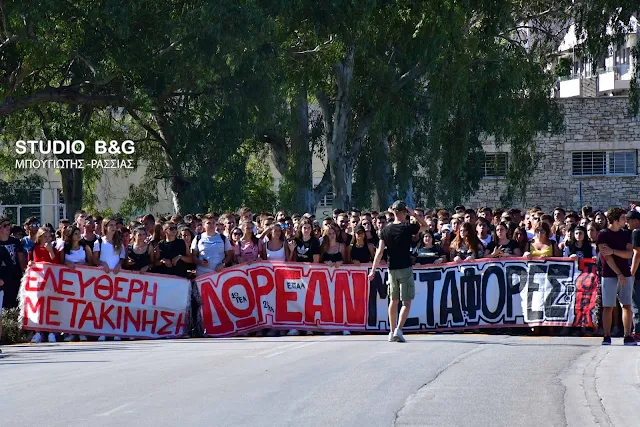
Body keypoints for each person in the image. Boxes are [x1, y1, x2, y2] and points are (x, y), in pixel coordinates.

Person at [368, 201, 428, 343]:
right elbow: (425, 226)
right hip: (405, 267)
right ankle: (398, 330)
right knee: (406, 302)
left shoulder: (385, 230)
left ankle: (391, 330)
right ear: (403, 212)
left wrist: (373, 270)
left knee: (393, 301)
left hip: (391, 268)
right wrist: (414, 214)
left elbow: (379, 252)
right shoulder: (407, 227)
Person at [597, 208, 635, 346]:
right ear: (615, 219)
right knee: (608, 306)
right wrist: (618, 273)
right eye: (623, 217)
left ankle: (628, 335)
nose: (626, 220)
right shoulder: (603, 235)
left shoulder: (626, 234)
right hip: (609, 274)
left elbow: (629, 254)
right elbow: (606, 257)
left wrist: (613, 251)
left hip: (625, 273)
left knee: (627, 305)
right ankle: (606, 336)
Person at [60, 226, 92, 342]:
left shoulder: (85, 247)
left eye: (79, 233)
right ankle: (69, 331)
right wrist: (66, 263)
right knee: (69, 307)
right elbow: (60, 262)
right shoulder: (64, 248)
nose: (79, 236)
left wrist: (82, 265)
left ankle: (81, 330)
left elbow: (91, 263)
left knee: (81, 306)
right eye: (76, 234)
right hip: (68, 281)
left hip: (83, 281)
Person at [627, 210, 640, 341]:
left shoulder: (637, 232)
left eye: (628, 221)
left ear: (635, 220)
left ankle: (638, 331)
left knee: (636, 303)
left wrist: (632, 272)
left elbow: (637, 254)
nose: (627, 224)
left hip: (639, 273)